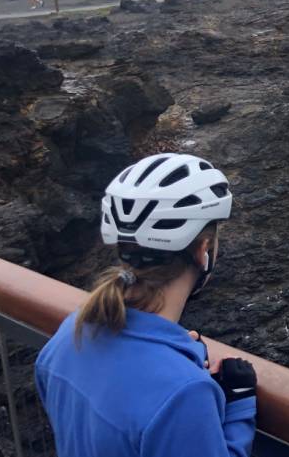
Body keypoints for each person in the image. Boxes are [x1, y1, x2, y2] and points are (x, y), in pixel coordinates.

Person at [34, 153, 257, 457]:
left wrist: (181, 358)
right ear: (203, 250)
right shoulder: (184, 393)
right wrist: (238, 406)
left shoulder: (68, 336)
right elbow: (161, 399)